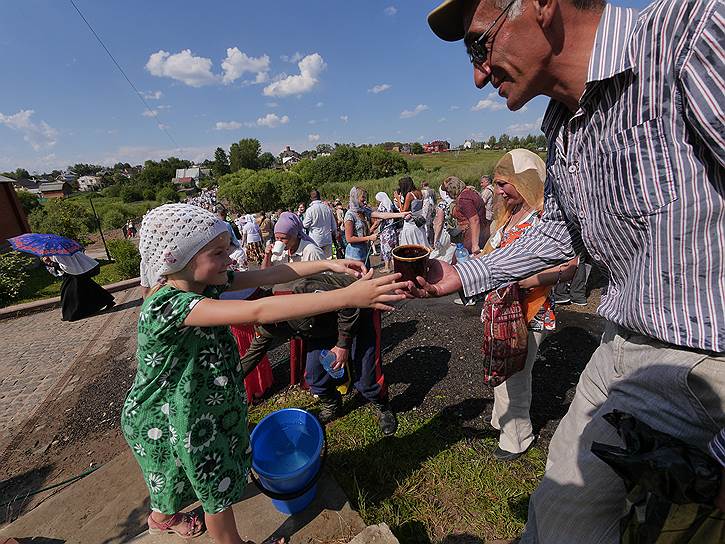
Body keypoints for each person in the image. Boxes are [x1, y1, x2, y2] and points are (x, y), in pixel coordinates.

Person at [425, 0, 725, 541]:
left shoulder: (686, 35)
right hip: (620, 347)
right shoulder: (563, 128)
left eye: (478, 43)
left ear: (540, 5)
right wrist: (462, 276)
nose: (477, 76)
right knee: (556, 516)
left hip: (710, 361)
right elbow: (561, 231)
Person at [124, 203, 406, 542]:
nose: (231, 257)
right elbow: (259, 307)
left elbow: (271, 275)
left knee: (170, 475)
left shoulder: (199, 284)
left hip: (184, 404)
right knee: (216, 493)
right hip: (173, 415)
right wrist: (346, 296)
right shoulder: (169, 305)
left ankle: (162, 518)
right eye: (218, 252)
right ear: (176, 259)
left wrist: (327, 262)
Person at [480, 150, 577, 460]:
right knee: (503, 367)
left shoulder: (544, 219)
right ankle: (501, 420)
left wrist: (523, 281)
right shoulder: (509, 216)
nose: (497, 191)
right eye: (496, 184)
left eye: (503, 184)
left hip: (529, 312)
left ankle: (517, 437)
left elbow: (569, 265)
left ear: (525, 182)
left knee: (516, 376)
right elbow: (491, 254)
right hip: (503, 308)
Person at [239, 273, 398, 435]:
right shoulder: (263, 326)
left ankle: (383, 405)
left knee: (366, 378)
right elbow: (252, 355)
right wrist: (228, 381)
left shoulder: (297, 292)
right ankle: (332, 406)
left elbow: (348, 304)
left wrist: (342, 345)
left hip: (360, 309)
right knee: (314, 376)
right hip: (323, 325)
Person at [344, 187, 408, 269]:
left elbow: (382, 215)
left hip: (365, 251)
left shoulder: (363, 210)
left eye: (365, 197)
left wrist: (402, 214)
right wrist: (369, 237)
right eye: (363, 197)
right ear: (355, 198)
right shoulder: (350, 215)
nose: (365, 200)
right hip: (354, 254)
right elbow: (349, 239)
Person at [43, 251, 115, 322]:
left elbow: (65, 267)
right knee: (89, 287)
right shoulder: (63, 251)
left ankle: (73, 314)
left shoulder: (59, 253)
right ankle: (107, 301)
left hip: (73, 275)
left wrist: (50, 263)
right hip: (77, 273)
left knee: (68, 292)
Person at [303, 189, 338, 259]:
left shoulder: (310, 210)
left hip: (315, 239)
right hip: (327, 239)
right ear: (320, 197)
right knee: (328, 262)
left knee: (317, 262)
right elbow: (334, 226)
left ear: (311, 198)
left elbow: (305, 225)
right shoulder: (327, 208)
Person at [395, 177, 430, 247]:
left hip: (410, 223)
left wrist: (398, 198)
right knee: (420, 242)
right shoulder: (419, 192)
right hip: (418, 221)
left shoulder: (409, 195)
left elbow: (403, 211)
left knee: (409, 243)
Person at [375, 191, 399, 273]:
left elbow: (379, 219)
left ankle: (387, 267)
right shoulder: (390, 204)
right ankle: (396, 267)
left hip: (385, 231)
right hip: (392, 230)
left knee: (386, 249)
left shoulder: (382, 206)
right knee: (393, 249)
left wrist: (372, 229)